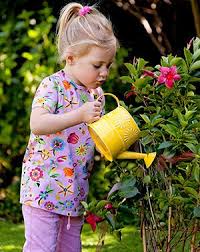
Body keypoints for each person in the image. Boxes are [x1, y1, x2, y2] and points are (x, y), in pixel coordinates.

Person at [20, 2, 118, 252]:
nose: (104, 72)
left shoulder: (96, 95)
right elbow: (38, 123)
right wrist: (79, 115)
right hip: (43, 191)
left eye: (108, 65)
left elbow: (99, 138)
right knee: (41, 248)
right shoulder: (51, 85)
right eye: (98, 65)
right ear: (71, 58)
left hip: (74, 193)